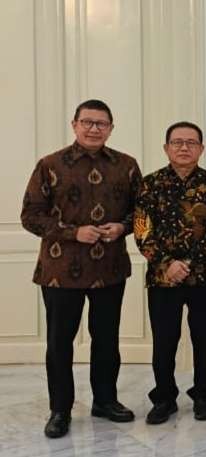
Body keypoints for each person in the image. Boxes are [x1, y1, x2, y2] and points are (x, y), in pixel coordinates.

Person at [21, 99, 141, 438]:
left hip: (111, 268)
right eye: (87, 122)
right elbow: (30, 216)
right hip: (60, 270)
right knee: (60, 342)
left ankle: (105, 400)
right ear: (74, 124)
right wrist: (74, 232)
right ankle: (60, 410)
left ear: (111, 128)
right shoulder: (50, 164)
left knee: (107, 340)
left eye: (101, 123)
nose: (94, 128)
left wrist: (122, 227)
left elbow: (141, 213)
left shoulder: (127, 165)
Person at [134, 121, 206, 424]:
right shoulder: (149, 184)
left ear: (201, 148)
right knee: (164, 341)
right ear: (166, 148)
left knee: (205, 339)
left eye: (191, 142)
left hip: (205, 277)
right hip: (163, 279)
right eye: (177, 142)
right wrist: (166, 265)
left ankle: (202, 396)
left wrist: (186, 262)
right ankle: (164, 398)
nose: (184, 147)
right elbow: (142, 231)